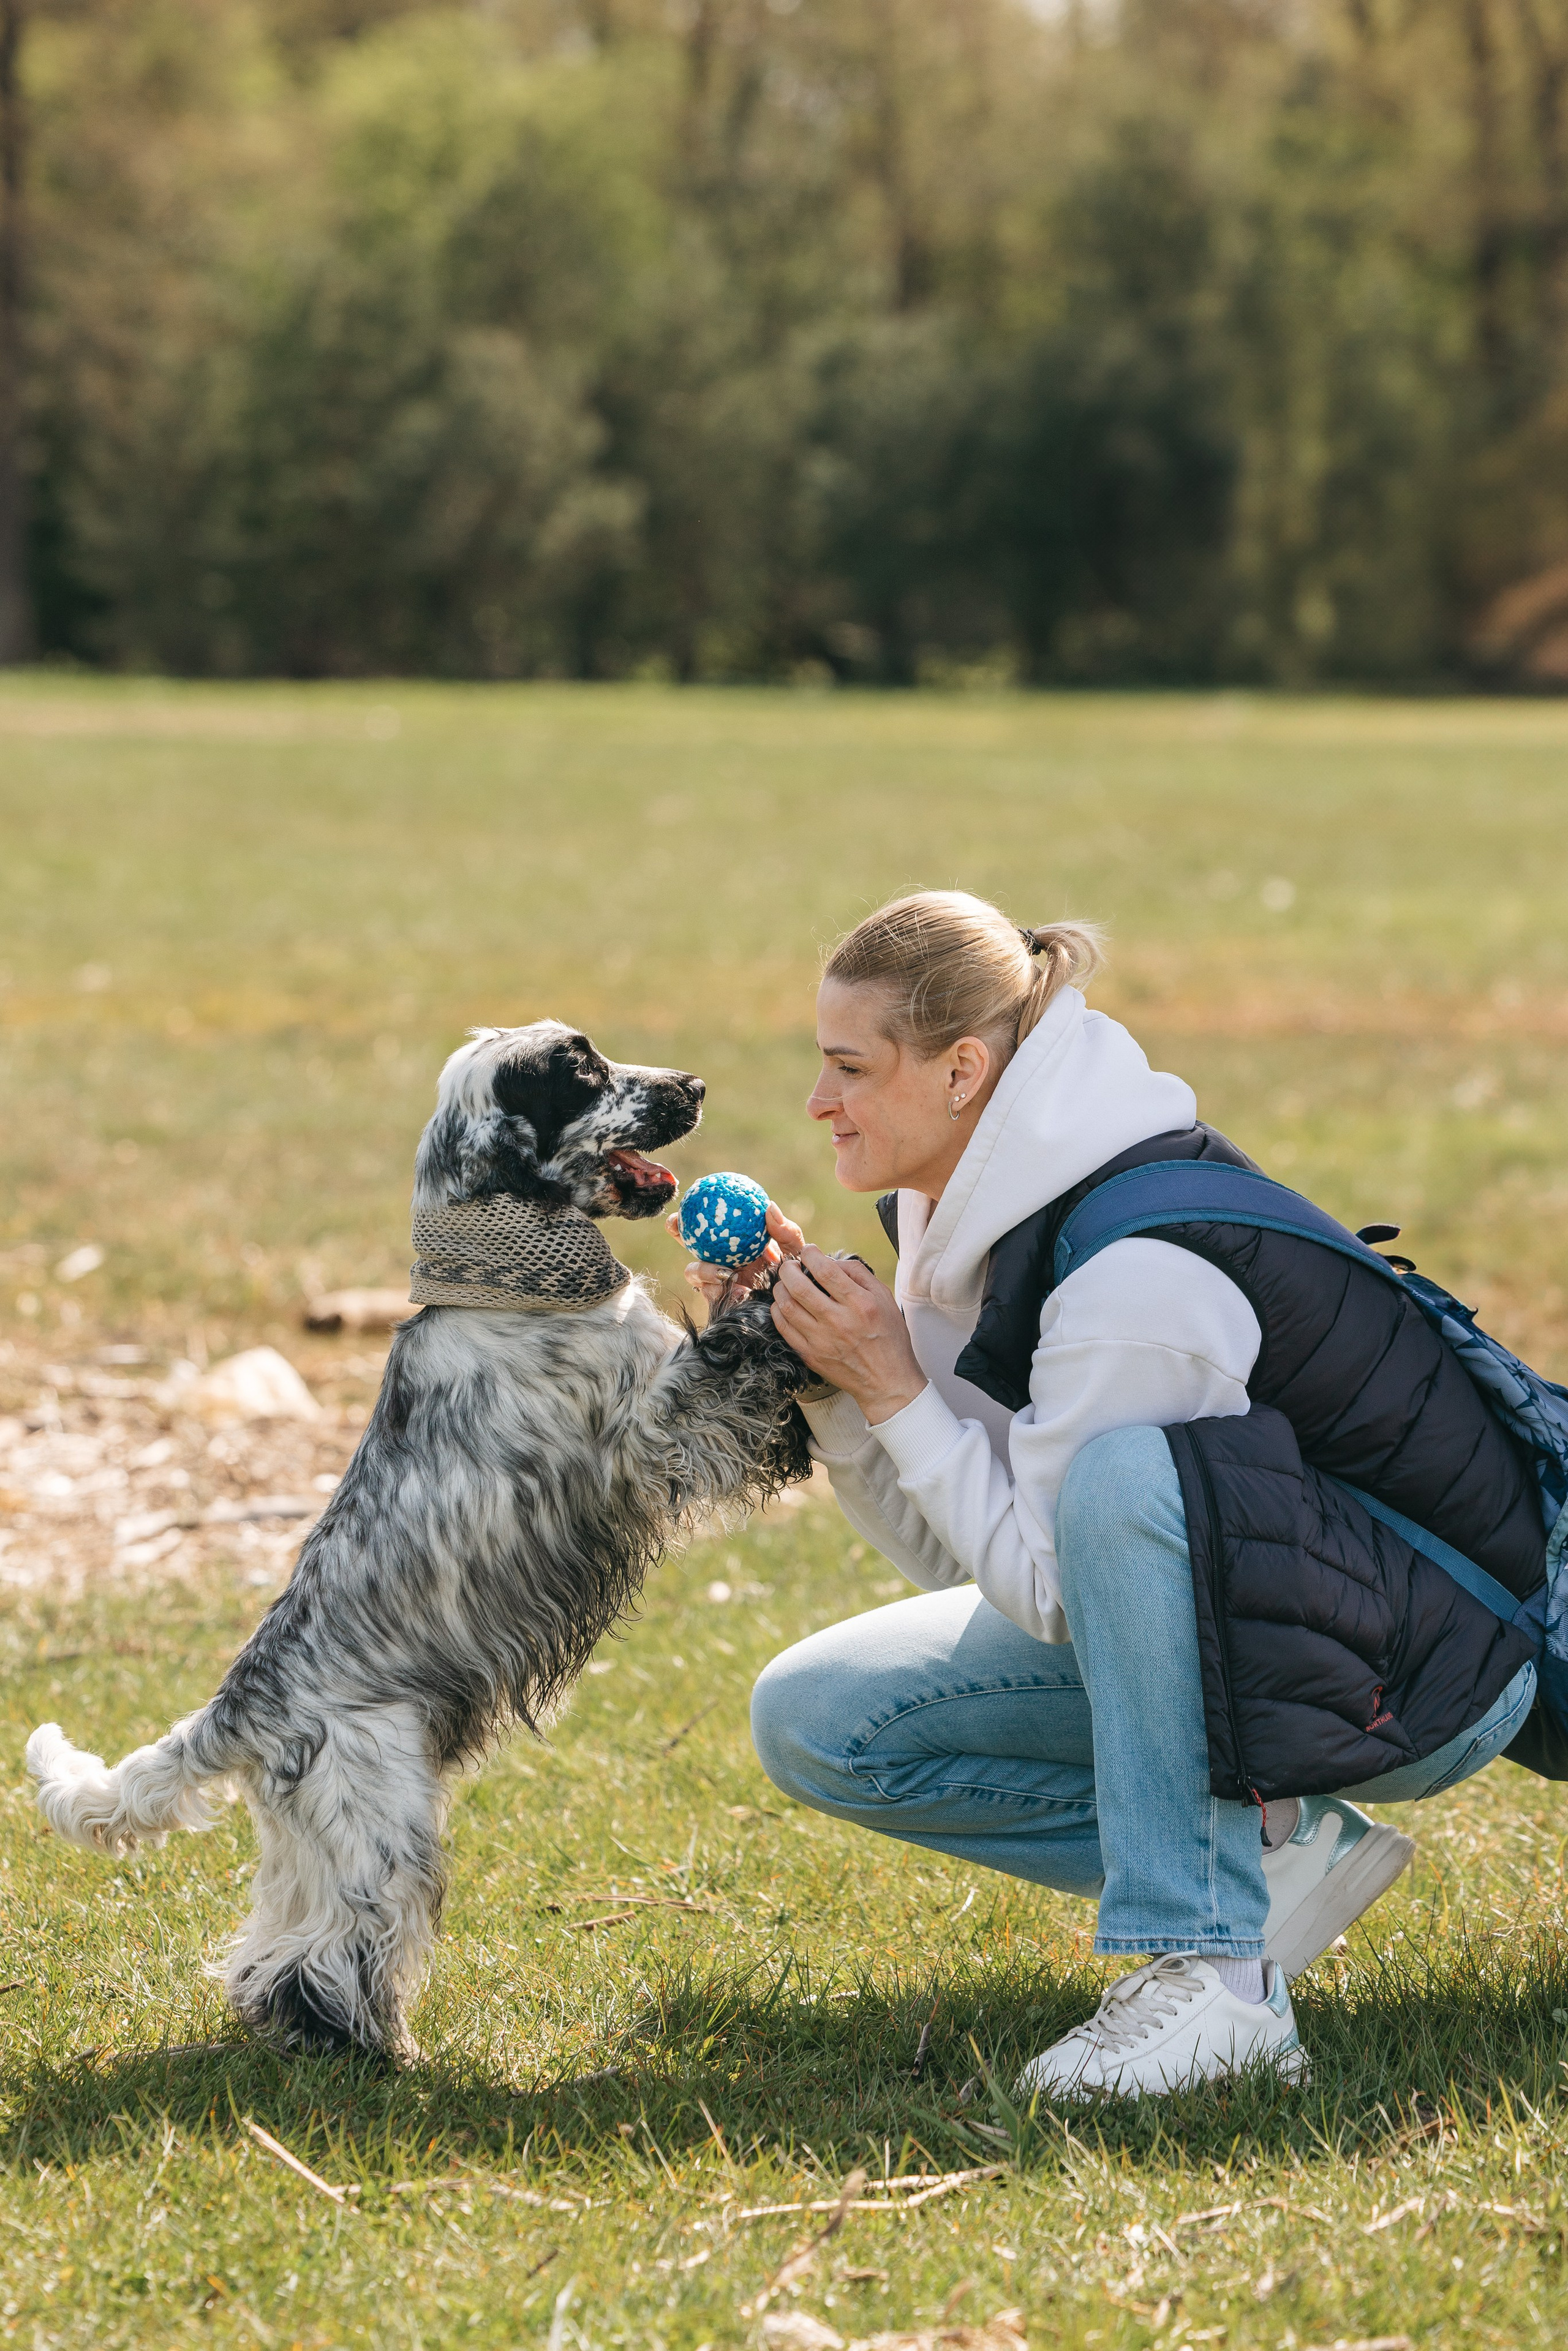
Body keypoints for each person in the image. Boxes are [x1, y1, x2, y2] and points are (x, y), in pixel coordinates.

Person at [677, 890, 1542, 2098]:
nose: (817, 1102)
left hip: (1441, 1662)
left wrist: (892, 1383)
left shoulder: (1131, 1273)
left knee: (1122, 1473)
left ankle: (1211, 1979)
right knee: (815, 1717)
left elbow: (1057, 1585)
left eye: (848, 1068)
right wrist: (833, 1384)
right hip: (1290, 1628)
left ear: (962, 1069)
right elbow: (981, 1556)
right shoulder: (965, 1215)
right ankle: (1270, 1861)